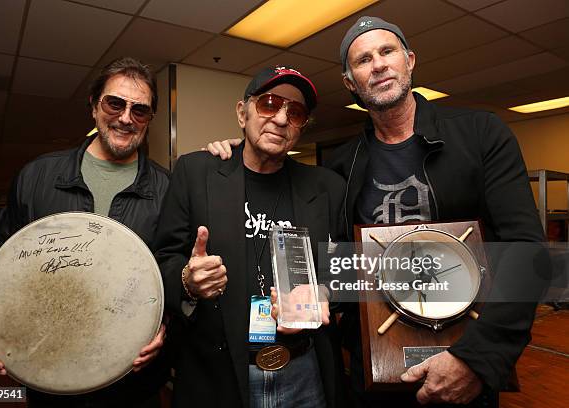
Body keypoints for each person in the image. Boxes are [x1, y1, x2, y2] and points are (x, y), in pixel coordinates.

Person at [207, 16, 547, 407]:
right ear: (351, 82)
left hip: (464, 362)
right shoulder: (339, 168)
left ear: (410, 60)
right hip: (376, 369)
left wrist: (476, 359)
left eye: (387, 51)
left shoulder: (481, 135)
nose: (379, 64)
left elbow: (527, 254)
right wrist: (238, 155)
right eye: (364, 59)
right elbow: (336, 267)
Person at [0, 56, 171, 408]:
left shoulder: (167, 190)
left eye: (140, 110)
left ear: (149, 119)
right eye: (115, 103)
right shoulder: (37, 176)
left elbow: (173, 267)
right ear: (94, 106)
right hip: (50, 373)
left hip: (134, 384)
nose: (125, 117)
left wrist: (165, 321)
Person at [156, 66, 346, 407]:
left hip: (303, 372)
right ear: (242, 113)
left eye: (296, 112)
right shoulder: (196, 172)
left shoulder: (327, 187)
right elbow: (163, 261)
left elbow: (344, 272)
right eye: (270, 104)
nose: (281, 118)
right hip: (219, 374)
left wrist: (324, 294)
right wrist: (187, 280)